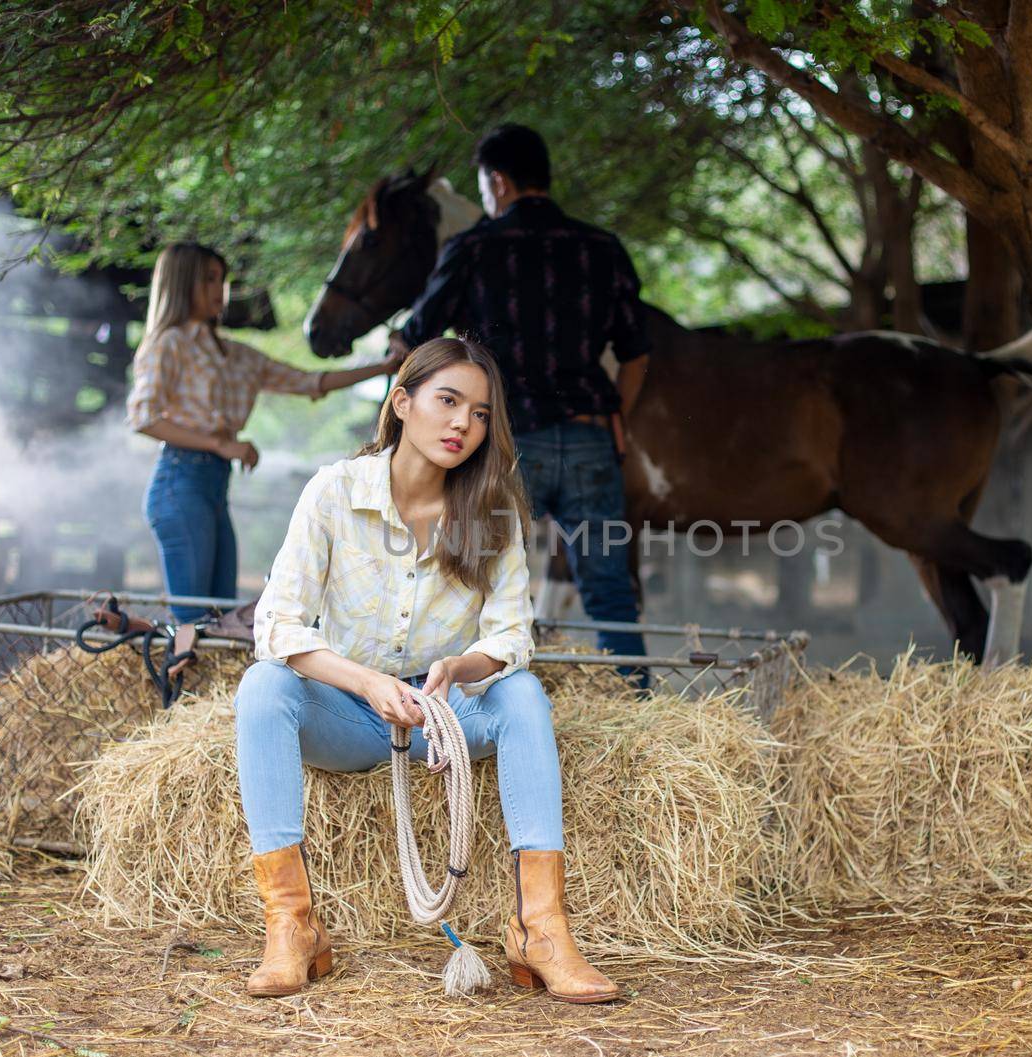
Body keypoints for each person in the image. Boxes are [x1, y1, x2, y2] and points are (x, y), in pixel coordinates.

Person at [233, 336, 619, 1004]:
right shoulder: (334, 492)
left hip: (447, 714)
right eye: (447, 401)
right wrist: (366, 681)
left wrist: (461, 664)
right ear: (402, 402)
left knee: (522, 693)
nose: (462, 424)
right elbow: (276, 624)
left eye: (479, 413)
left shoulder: (493, 509)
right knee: (263, 686)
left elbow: (512, 636)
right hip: (351, 713)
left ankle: (541, 928)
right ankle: (292, 925)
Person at [391, 124, 652, 684]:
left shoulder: (474, 247)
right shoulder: (601, 248)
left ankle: (476, 705)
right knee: (609, 589)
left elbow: (419, 337)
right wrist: (617, 421)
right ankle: (640, 706)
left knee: (481, 582)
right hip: (589, 437)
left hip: (506, 445)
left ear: (498, 181)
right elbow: (636, 353)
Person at [125, 242, 401, 622]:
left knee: (221, 617)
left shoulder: (237, 356)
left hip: (212, 487)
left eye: (222, 280)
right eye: (208, 279)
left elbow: (311, 381)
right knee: (194, 621)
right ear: (180, 282)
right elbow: (143, 417)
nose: (219, 290)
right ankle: (174, 679)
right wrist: (223, 445)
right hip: (180, 482)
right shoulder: (167, 344)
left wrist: (385, 367)